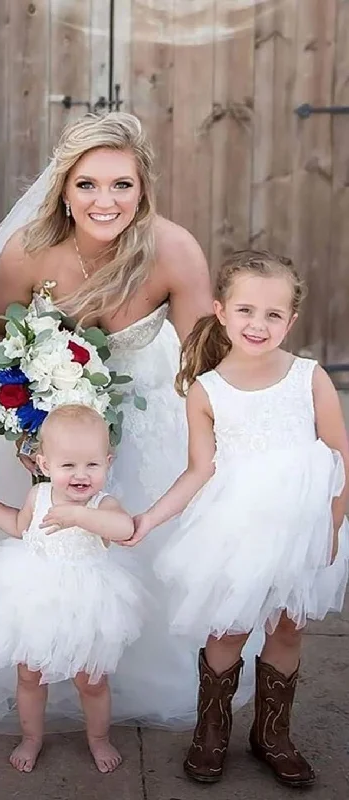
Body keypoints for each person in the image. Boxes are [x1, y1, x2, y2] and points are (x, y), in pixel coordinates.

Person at [0, 112, 260, 730]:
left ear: (144, 189)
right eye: (87, 184)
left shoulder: (172, 248)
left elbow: (204, 361)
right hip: (53, 430)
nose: (104, 200)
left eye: (122, 185)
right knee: (53, 548)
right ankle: (50, 673)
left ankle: (136, 672)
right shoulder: (29, 249)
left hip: (147, 413)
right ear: (63, 188)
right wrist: (27, 411)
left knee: (141, 544)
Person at [129, 250, 349, 787]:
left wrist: (333, 528)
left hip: (303, 529)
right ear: (221, 311)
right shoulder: (208, 389)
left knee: (289, 626)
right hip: (237, 530)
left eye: (274, 315)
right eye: (247, 310)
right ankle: (212, 731)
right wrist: (149, 519)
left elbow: (341, 457)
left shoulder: (308, 377)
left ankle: (273, 734)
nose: (260, 324)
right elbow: (198, 471)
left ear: (291, 321)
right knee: (228, 630)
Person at [0, 404, 145, 773]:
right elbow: (20, 527)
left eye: (92, 465)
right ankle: (31, 736)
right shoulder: (39, 497)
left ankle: (98, 737)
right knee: (29, 675)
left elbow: (125, 529)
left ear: (107, 463)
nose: (81, 475)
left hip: (87, 602)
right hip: (36, 597)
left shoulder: (103, 504)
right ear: (45, 465)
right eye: (68, 466)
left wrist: (81, 516)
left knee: (92, 680)